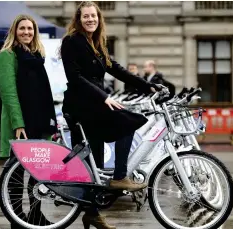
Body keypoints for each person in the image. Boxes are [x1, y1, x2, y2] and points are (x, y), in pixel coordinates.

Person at [60, 2, 159, 228]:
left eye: (93, 16)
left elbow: (115, 68)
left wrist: (147, 86)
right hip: (81, 105)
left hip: (92, 104)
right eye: (85, 16)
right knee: (128, 121)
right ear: (79, 18)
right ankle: (119, 177)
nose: (90, 20)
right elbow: (74, 77)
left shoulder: (96, 42)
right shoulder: (71, 41)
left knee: (92, 162)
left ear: (98, 18)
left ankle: (92, 213)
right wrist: (103, 97)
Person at [0, 14, 57, 227]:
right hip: (20, 123)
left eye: (30, 29)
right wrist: (18, 124)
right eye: (22, 28)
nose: (26, 32)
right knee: (17, 172)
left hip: (39, 121)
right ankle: (16, 218)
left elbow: (44, 92)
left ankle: (34, 214)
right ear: (15, 31)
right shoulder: (8, 56)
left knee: (37, 171)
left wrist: (51, 121)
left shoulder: (36, 55)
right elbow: (8, 93)